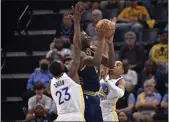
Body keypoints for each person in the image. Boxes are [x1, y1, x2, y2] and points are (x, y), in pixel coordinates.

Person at [49, 4, 85, 121]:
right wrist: (77, 23)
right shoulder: (71, 74)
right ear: (62, 68)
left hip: (61, 118)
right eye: (63, 64)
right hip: (75, 117)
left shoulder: (52, 82)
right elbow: (77, 47)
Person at [78, 18, 116, 122]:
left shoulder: (92, 50)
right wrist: (101, 38)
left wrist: (110, 43)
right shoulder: (79, 55)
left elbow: (111, 64)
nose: (88, 36)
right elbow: (96, 61)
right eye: (84, 35)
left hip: (96, 97)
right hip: (85, 97)